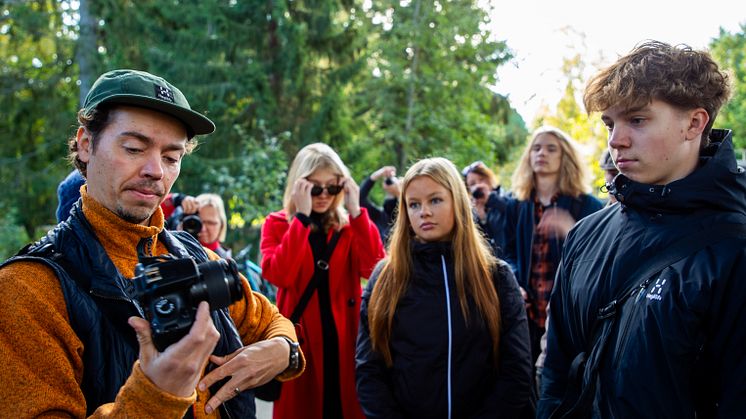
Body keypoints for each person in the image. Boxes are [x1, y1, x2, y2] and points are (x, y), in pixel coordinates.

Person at [0, 69, 304, 418]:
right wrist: (156, 396)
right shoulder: (27, 290)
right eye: (133, 148)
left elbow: (270, 319)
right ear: (86, 145)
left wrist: (284, 350)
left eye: (171, 157)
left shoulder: (194, 254)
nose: (155, 170)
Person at [539, 41, 746, 418]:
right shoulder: (586, 235)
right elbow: (556, 369)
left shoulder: (735, 246)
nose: (615, 140)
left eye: (637, 120)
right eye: (609, 123)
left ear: (694, 123)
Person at [355, 157, 533, 418]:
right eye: (414, 204)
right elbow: (369, 369)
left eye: (435, 200)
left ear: (457, 203)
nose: (424, 212)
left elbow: (516, 369)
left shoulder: (495, 277)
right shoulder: (386, 278)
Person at [260, 142, 386, 419]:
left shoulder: (350, 225)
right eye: (315, 187)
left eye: (333, 187)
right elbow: (279, 274)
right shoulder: (278, 223)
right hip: (301, 344)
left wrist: (356, 211)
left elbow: (375, 270)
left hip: (346, 341)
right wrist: (301, 219)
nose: (324, 195)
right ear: (299, 185)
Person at [503, 126, 603, 366]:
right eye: (536, 148)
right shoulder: (517, 206)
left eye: (551, 149)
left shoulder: (586, 205)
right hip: (527, 314)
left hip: (567, 317)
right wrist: (515, 282)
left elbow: (601, 260)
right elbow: (508, 253)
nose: (541, 154)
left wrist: (571, 230)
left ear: (565, 157)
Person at [462, 160, 511, 257]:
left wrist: (490, 198)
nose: (478, 185)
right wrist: (481, 219)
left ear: (489, 179)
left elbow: (513, 212)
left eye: (481, 180)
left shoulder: (506, 196)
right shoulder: (472, 211)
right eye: (472, 184)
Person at [359, 165, 400, 243]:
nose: (390, 189)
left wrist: (399, 194)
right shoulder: (379, 216)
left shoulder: (405, 217)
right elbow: (360, 198)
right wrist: (377, 175)